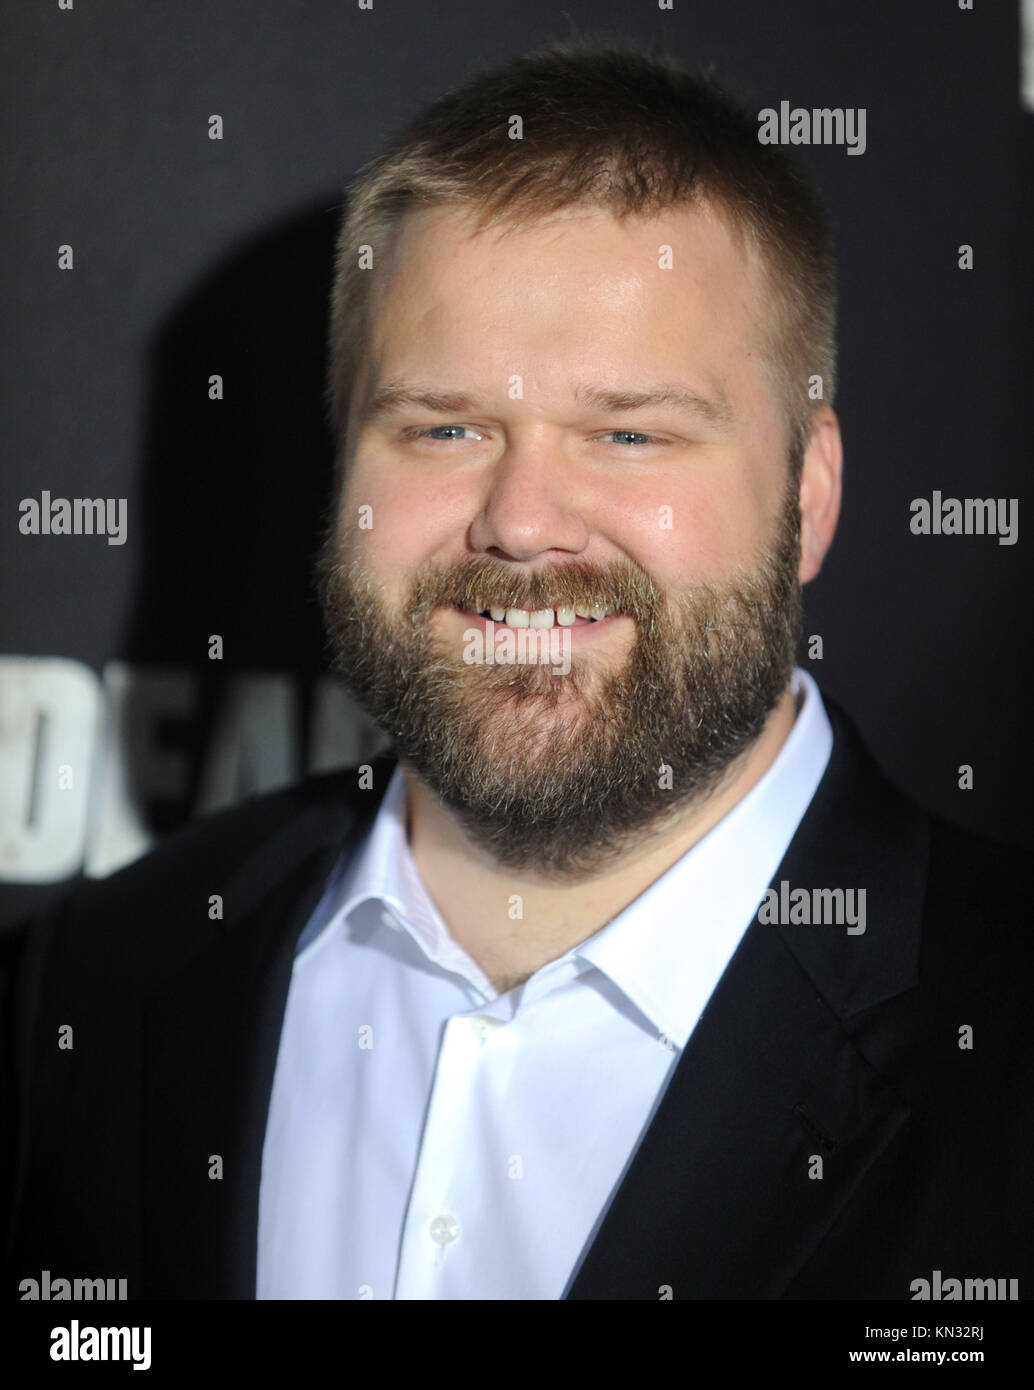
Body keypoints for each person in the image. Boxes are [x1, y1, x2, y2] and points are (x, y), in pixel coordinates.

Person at [4, 36, 1032, 1302]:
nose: (523, 519)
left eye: (628, 431)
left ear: (808, 492)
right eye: (443, 426)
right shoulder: (94, 985)